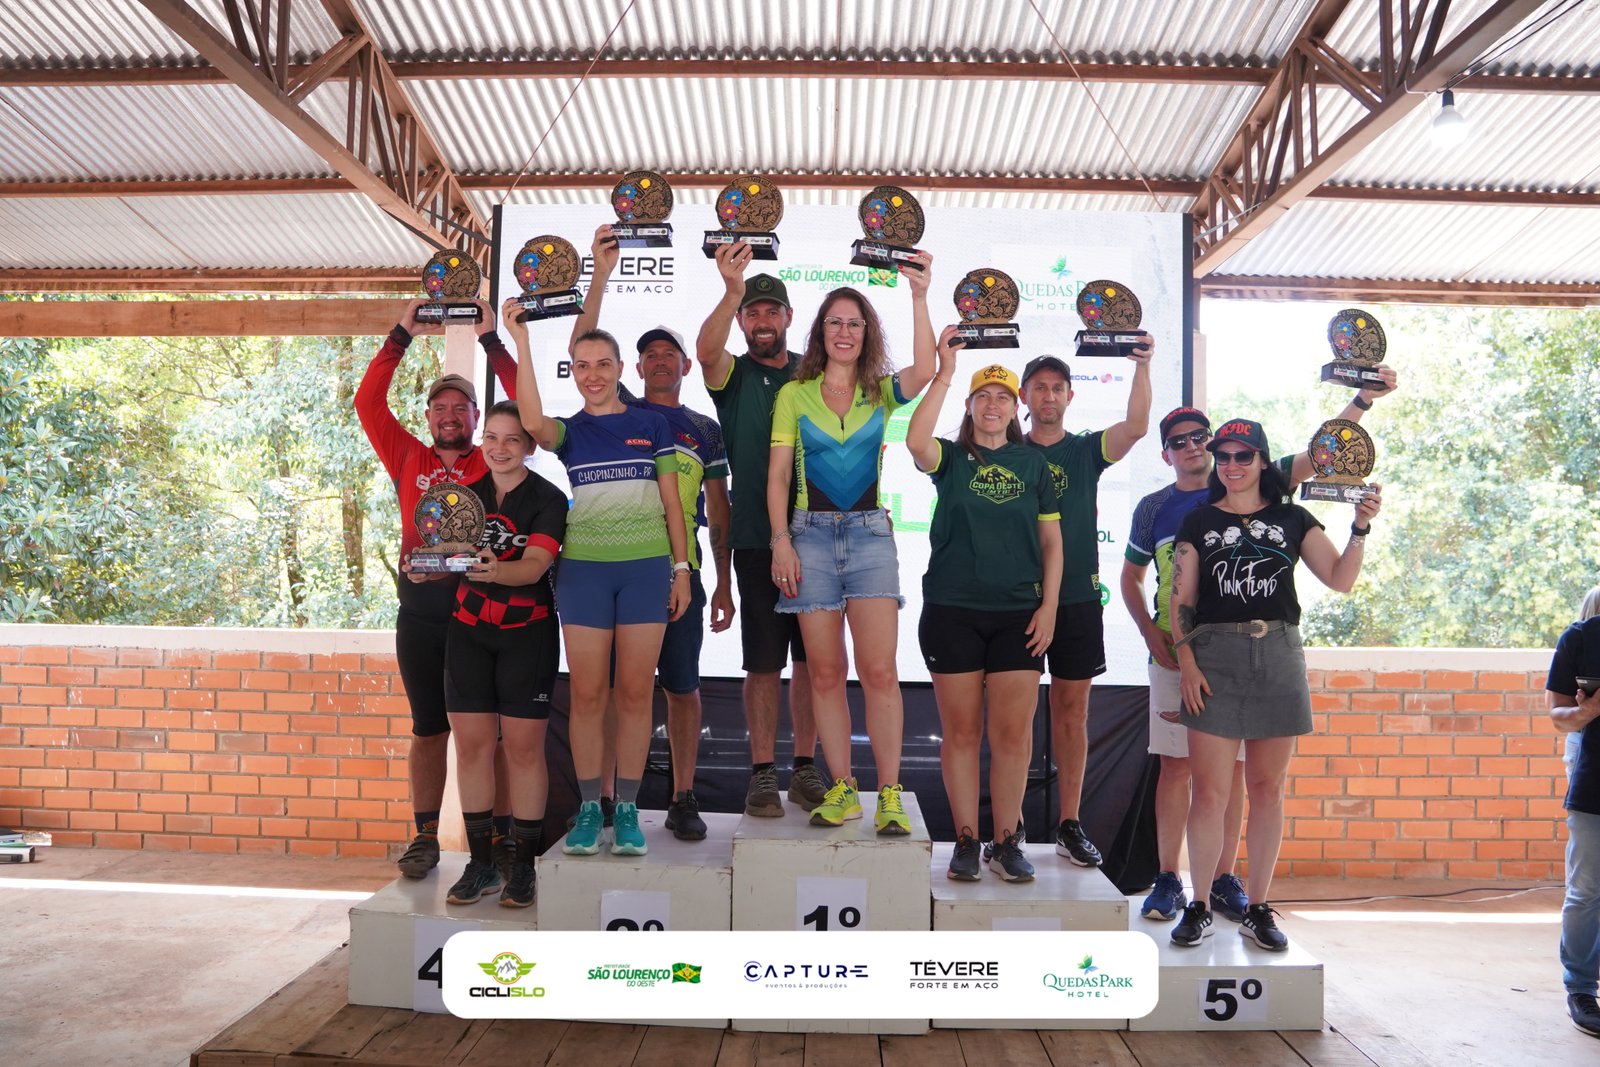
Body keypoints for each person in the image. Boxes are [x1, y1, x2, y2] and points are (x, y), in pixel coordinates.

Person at [1125, 367, 1399, 922]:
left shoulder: (1286, 507)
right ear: (1166, 452)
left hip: (1273, 654)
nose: (1222, 459)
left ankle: (1236, 890)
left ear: (1258, 460)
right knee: (1185, 774)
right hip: (1191, 653)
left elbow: (1323, 454)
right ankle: (1175, 884)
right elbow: (1152, 587)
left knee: (1255, 784)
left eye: (1231, 451)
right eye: (1184, 442)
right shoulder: (1168, 510)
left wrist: (1363, 401)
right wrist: (1166, 644)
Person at [1169, 419, 1381, 951]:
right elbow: (1181, 601)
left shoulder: (1293, 517)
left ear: (1263, 461)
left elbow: (1341, 579)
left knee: (1267, 789)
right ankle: (1199, 905)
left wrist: (1359, 528)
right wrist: (1187, 662)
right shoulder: (1199, 520)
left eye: (1243, 455)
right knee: (1209, 793)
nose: (1232, 465)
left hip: (1280, 654)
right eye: (1223, 456)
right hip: (1214, 658)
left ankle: (1258, 907)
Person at [504, 300, 691, 857]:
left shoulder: (651, 424)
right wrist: (522, 341)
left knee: (634, 693)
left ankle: (627, 810)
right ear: (574, 372)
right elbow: (532, 422)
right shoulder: (570, 432)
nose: (593, 374)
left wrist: (681, 569)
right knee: (587, 695)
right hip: (584, 572)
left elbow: (673, 504)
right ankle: (591, 809)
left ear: (619, 369)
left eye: (603, 364)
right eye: (582, 366)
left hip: (645, 570)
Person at [571, 225, 733, 841]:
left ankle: (684, 796)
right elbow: (583, 345)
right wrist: (600, 275)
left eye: (671, 353)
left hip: (679, 573)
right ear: (633, 368)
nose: (661, 360)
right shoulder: (620, 411)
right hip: (619, 568)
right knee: (618, 690)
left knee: (681, 687)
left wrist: (721, 583)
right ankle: (609, 801)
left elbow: (719, 510)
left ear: (686, 365)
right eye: (650, 354)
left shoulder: (704, 429)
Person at [767, 258, 938, 833]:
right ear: (820, 332)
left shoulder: (880, 392)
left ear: (867, 333)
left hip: (869, 537)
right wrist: (781, 541)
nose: (844, 332)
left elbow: (927, 368)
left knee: (880, 672)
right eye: (835, 322)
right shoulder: (794, 395)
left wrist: (919, 295)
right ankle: (843, 789)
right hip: (808, 538)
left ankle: (889, 794)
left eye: (855, 323)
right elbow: (776, 477)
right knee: (823, 673)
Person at [354, 296, 517, 881]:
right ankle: (425, 837)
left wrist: (493, 340)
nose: (450, 415)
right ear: (427, 417)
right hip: (421, 615)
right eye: (440, 407)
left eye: (461, 407)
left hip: (480, 614)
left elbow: (525, 407)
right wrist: (402, 333)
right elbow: (367, 403)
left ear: (476, 416)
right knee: (429, 729)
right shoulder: (407, 455)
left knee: (490, 735)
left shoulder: (493, 459)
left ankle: (498, 840)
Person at [906, 346, 1062, 882]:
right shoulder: (950, 459)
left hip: (1019, 615)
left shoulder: (1033, 463)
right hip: (953, 612)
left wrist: (1049, 607)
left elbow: (1052, 543)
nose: (992, 405)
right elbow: (915, 442)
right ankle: (967, 840)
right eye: (982, 396)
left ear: (1016, 407)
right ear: (969, 405)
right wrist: (945, 373)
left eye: (1002, 397)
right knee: (963, 734)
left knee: (1013, 736)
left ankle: (1007, 841)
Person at [697, 244, 825, 816]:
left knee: (813, 662)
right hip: (754, 539)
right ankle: (763, 774)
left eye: (772, 311)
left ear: (789, 317)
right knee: (763, 663)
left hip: (820, 537)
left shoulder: (814, 373)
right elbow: (705, 351)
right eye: (753, 313)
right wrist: (732, 289)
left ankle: (805, 768)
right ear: (742, 321)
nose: (763, 320)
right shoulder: (734, 375)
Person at [422, 401, 566, 907]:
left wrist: (492, 569)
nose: (499, 448)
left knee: (524, 751)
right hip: (467, 633)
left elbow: (534, 566)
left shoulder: (549, 499)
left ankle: (522, 866)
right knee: (472, 750)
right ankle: (481, 863)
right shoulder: (463, 495)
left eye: (511, 439)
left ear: (528, 446)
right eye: (491, 438)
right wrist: (427, 567)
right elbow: (443, 554)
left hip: (528, 634)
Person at [1019, 342, 1153, 866]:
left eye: (1058, 388)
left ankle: (1069, 824)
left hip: (1076, 599)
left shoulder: (1083, 451)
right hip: (1016, 601)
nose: (1049, 396)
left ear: (1070, 397)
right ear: (1025, 397)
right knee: (1014, 717)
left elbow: (1137, 426)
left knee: (1071, 714)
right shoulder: (1005, 451)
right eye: (1039, 388)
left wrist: (1142, 365)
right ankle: (1009, 826)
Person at [1547, 586, 1600, 1038]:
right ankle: (1581, 989)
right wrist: (1586, 713)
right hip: (1595, 775)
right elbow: (1557, 713)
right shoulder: (1581, 638)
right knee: (1587, 889)